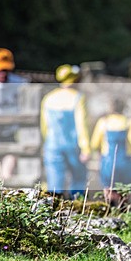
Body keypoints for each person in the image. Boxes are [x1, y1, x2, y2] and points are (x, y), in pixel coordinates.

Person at [40, 64, 90, 198]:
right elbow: (81, 125)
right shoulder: (78, 97)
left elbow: (45, 125)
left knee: (54, 183)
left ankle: (52, 211)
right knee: (78, 179)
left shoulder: (48, 98)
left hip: (52, 145)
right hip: (73, 146)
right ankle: (78, 210)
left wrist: (47, 143)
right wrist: (85, 148)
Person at [90, 97, 131, 205]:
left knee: (109, 188)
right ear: (123, 109)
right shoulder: (129, 122)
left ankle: (109, 211)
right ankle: (124, 211)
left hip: (108, 163)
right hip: (125, 163)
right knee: (125, 190)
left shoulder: (103, 122)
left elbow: (94, 144)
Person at [0, 48, 29, 182]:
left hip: (9, 134)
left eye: (6, 70)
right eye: (0, 69)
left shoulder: (20, 84)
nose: (3, 73)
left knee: (6, 175)